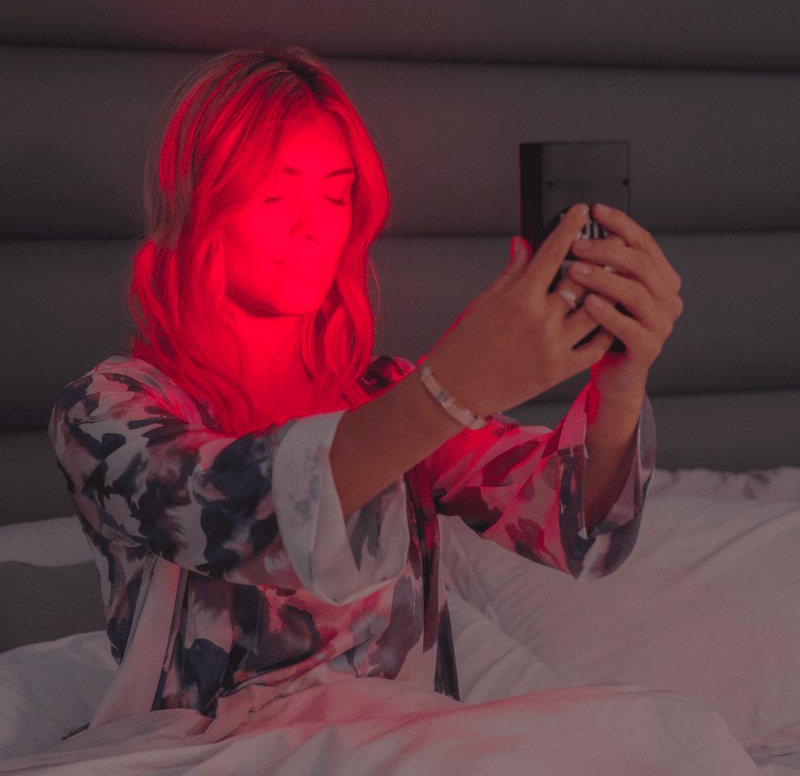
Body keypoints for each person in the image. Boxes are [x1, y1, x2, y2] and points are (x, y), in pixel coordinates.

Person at [48, 47, 681, 730]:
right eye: (273, 191)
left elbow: (579, 533)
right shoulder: (108, 409)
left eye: (335, 190)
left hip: (404, 747)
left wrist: (620, 377)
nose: (312, 224)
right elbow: (235, 514)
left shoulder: (386, 394)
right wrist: (448, 389)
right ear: (197, 202)